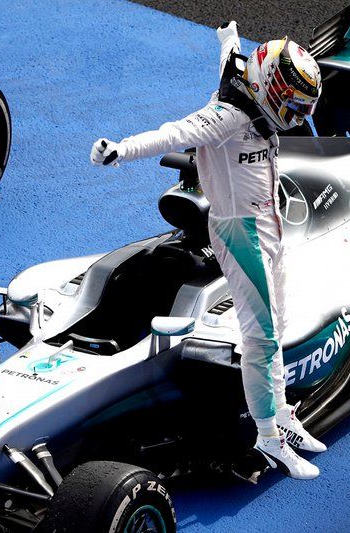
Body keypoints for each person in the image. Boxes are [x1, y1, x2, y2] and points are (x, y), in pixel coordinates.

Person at [90, 21, 325, 479]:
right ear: (271, 88)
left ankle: (281, 416)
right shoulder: (226, 117)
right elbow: (173, 134)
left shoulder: (251, 88)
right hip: (242, 233)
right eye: (292, 106)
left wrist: (226, 37)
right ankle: (268, 437)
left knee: (278, 323)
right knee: (261, 338)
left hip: (269, 226)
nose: (295, 117)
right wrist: (121, 150)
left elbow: (230, 60)